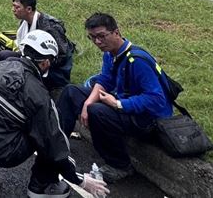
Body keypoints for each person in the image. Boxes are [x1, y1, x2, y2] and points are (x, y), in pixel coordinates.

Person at [0, 30, 110, 198]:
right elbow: (55, 144)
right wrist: (80, 180)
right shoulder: (38, 94)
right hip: (4, 152)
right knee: (49, 128)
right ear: (46, 63)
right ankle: (41, 186)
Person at [57, 13, 173, 183]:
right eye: (92, 38)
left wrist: (118, 104)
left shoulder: (136, 61)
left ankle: (120, 165)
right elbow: (105, 79)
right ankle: (57, 146)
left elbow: (156, 100)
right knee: (71, 91)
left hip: (148, 120)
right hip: (125, 103)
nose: (97, 42)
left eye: (101, 36)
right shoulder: (110, 54)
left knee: (97, 111)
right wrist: (88, 101)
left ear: (116, 32)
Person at [0, 0, 74, 94]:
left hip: (52, 69)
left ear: (28, 9)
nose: (13, 10)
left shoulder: (49, 27)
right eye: (13, 6)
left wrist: (35, 62)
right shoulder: (24, 22)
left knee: (12, 61)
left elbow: (62, 56)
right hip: (33, 58)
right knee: (4, 55)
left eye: (17, 7)